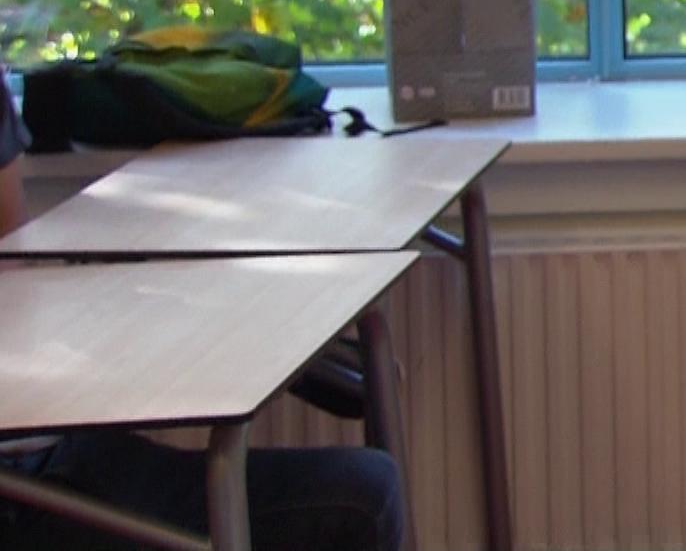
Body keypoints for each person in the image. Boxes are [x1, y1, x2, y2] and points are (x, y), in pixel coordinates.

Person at [0, 71, 407, 551]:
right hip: (25, 486)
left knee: (366, 478)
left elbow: (14, 271)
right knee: (362, 497)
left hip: (58, 446)